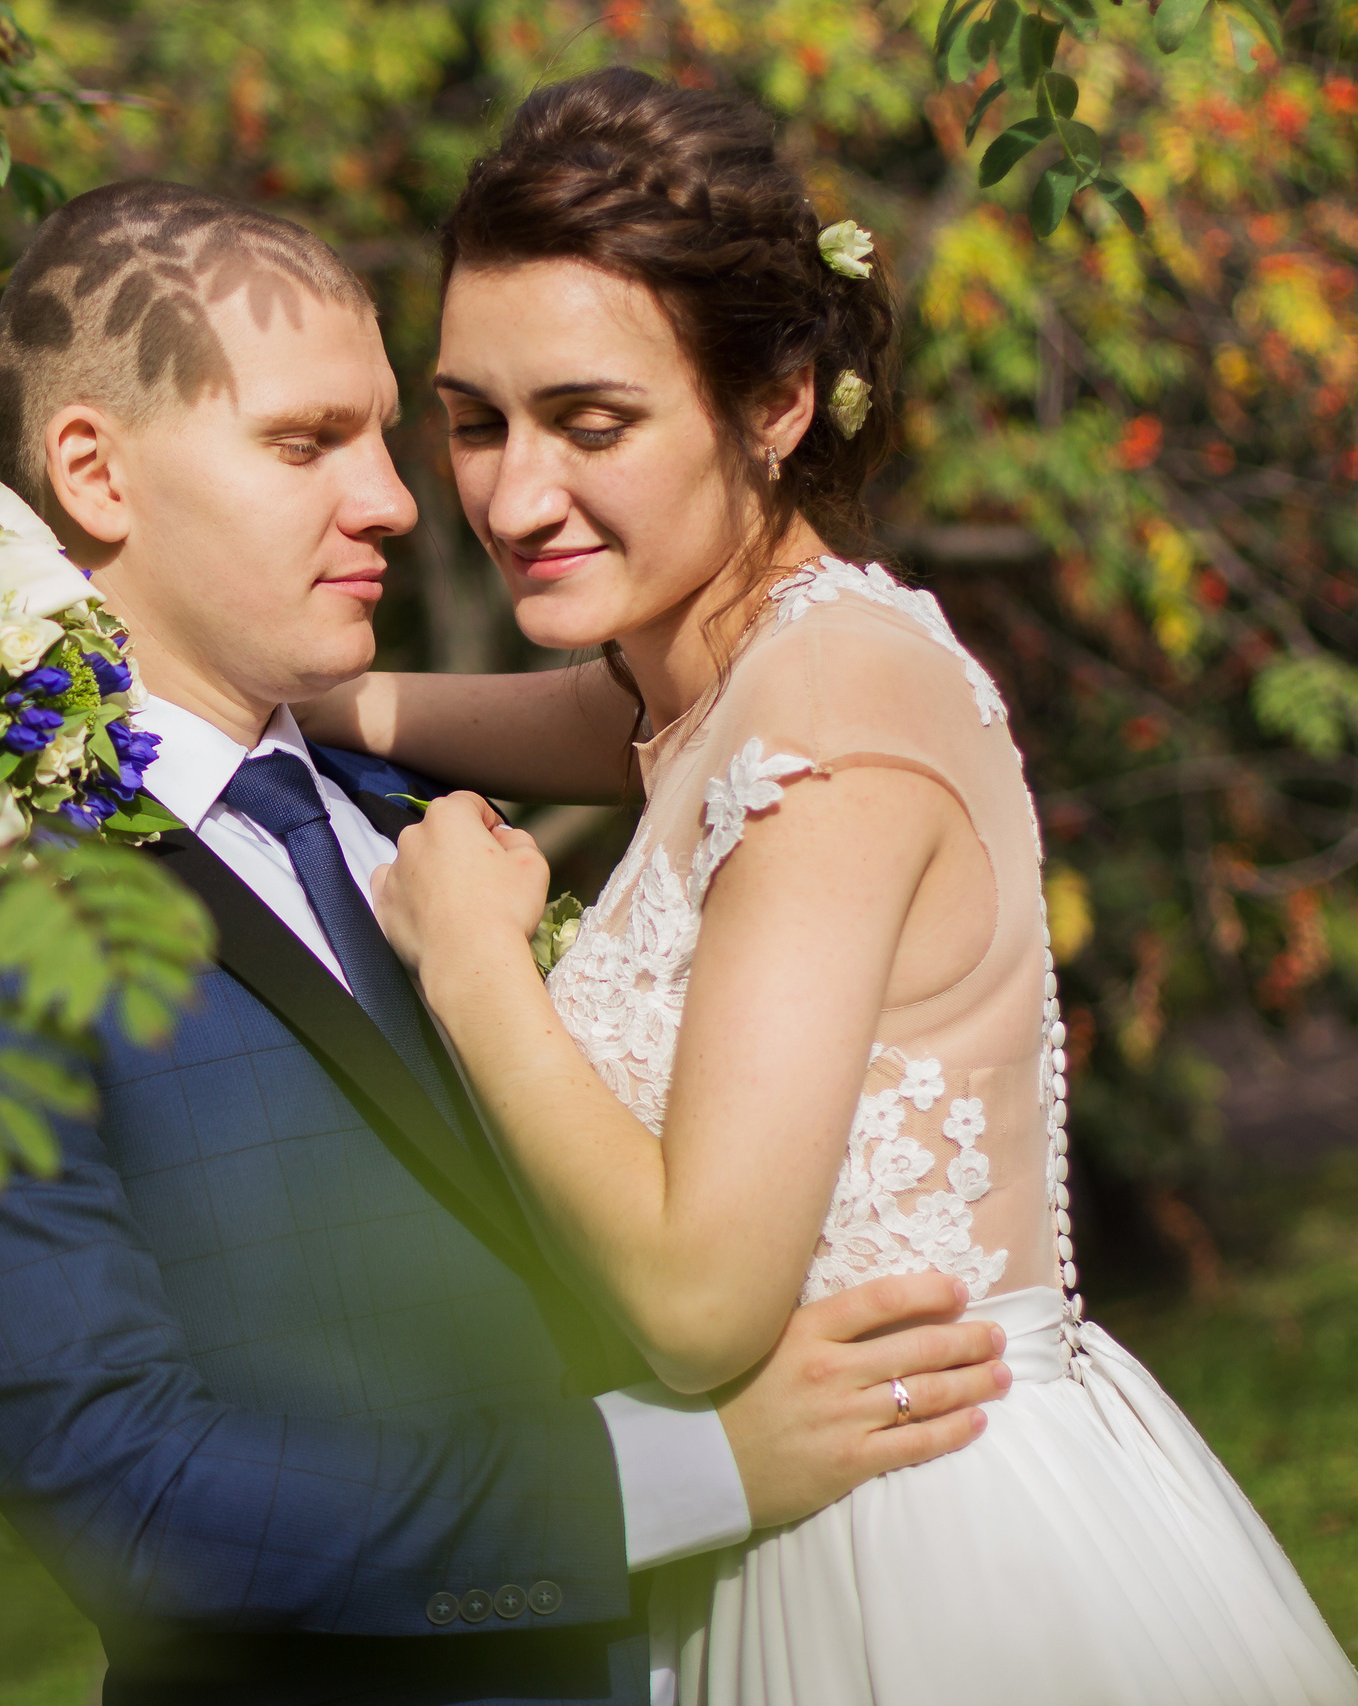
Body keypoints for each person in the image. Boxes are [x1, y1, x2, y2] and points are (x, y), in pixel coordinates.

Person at [0, 178, 1013, 1706]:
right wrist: (671, 1477)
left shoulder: (411, 802)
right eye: (306, 444)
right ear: (96, 473)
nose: (401, 501)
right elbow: (127, 1486)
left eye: (384, 431)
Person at [311, 69, 1358, 1706]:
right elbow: (601, 731)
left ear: (778, 398)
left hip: (930, 1562)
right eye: (474, 419)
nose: (514, 497)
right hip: (805, 1526)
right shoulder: (733, 679)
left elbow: (701, 1298)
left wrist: (473, 966)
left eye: (593, 424)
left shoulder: (835, 735)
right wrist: (273, 689)